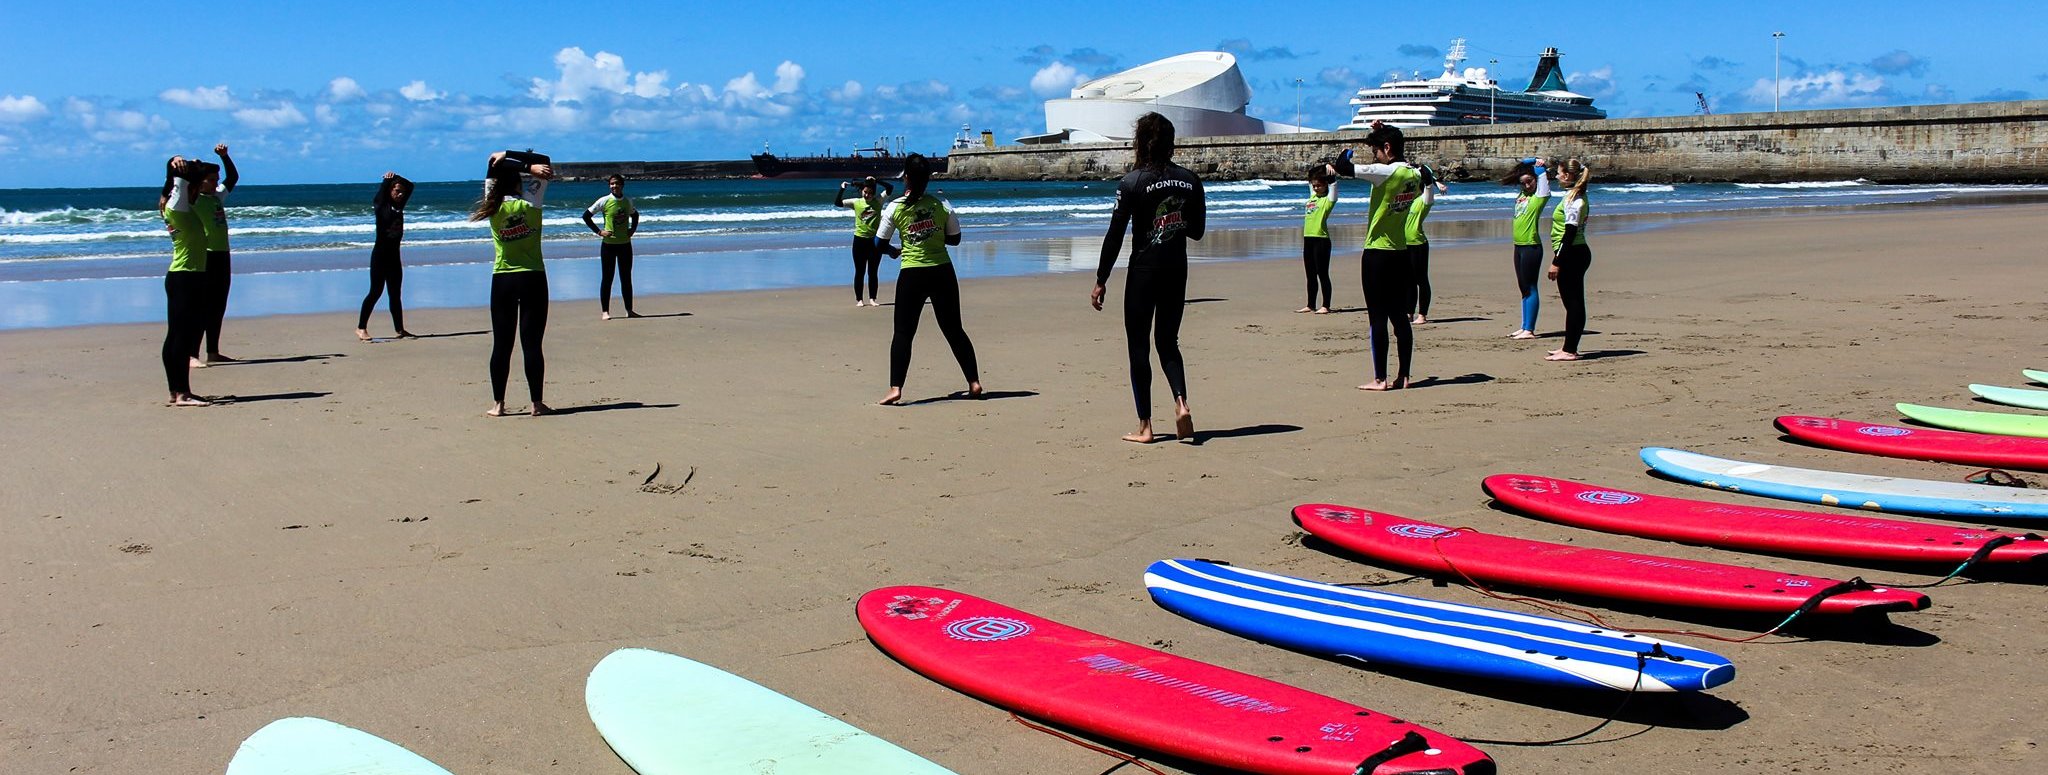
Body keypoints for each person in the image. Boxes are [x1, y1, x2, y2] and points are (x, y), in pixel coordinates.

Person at [1093, 112, 1206, 442]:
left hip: (1144, 271)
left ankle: (1146, 427)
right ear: (1171, 144)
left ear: (1140, 142)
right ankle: (1181, 402)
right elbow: (1197, 232)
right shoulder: (1190, 180)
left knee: (1139, 347)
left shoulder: (1132, 182)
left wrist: (1101, 279)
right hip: (1176, 269)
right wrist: (1174, 220)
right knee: (1168, 342)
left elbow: (1115, 235)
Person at [1321, 121, 1420, 391]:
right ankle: (1405, 375)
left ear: (1387, 148)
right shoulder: (1414, 175)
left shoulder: (1385, 172)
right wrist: (1381, 130)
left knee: (1377, 317)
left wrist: (1347, 148)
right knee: (1400, 316)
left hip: (1377, 254)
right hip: (1401, 252)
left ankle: (1380, 379)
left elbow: (1343, 166)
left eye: (1376, 150)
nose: (1375, 156)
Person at [875, 153, 981, 406]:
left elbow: (879, 242)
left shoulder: (895, 208)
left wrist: (893, 251)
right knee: (954, 329)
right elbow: (955, 239)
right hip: (942, 271)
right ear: (928, 179)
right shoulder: (942, 206)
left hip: (912, 273)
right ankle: (974, 382)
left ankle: (895, 389)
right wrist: (932, 236)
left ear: (906, 178)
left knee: (903, 332)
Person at [470, 150, 555, 417]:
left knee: (502, 344)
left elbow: (491, 166)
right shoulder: (532, 200)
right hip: (533, 277)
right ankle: (537, 404)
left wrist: (503, 158)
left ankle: (498, 405)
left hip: (503, 280)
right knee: (532, 344)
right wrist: (526, 163)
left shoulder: (491, 205)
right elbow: (545, 160)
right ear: (519, 181)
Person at [159, 155, 218, 406]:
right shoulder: (178, 206)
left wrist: (189, 166)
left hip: (185, 276)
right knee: (181, 337)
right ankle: (182, 393)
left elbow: (178, 184)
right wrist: (176, 164)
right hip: (186, 277)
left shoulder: (177, 205)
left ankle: (176, 391)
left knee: (176, 335)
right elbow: (179, 181)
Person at [190, 143, 239, 366]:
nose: (216, 182)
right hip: (206, 255)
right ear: (199, 182)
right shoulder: (192, 200)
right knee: (203, 306)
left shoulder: (216, 197)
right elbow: (175, 188)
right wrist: (189, 168)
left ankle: (213, 351)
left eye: (215, 179)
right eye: (211, 179)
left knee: (219, 304)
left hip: (222, 254)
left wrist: (225, 157)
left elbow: (233, 177)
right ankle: (192, 354)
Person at [357, 171, 416, 340]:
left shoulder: (399, 206)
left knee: (395, 294)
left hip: (394, 258)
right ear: (389, 191)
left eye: (401, 192)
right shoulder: (381, 205)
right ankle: (361, 328)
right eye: (397, 191)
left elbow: (411, 186)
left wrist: (397, 176)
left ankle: (400, 329)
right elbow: (381, 195)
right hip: (380, 257)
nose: (400, 194)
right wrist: (387, 181)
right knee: (375, 292)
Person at [1546, 159, 1594, 361]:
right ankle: (1568, 346)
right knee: (1571, 303)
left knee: (1573, 303)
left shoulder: (1575, 200)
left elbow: (1570, 233)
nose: (1556, 176)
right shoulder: (1573, 195)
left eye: (1558, 173)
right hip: (1573, 252)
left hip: (1573, 254)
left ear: (1566, 175)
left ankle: (1570, 350)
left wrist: (1556, 261)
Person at [1503, 156, 1553, 339]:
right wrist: (1531, 160)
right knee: (1523, 287)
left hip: (1532, 246)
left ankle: (1529, 329)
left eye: (1529, 182)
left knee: (1531, 287)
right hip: (1519, 246)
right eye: (1523, 183)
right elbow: (1522, 164)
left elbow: (1542, 179)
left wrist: (1540, 167)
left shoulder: (1540, 197)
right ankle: (1524, 326)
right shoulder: (1523, 195)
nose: (1526, 186)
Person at [583, 174, 640, 320]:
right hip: (608, 246)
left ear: (622, 185)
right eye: (612, 184)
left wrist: (632, 230)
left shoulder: (627, 201)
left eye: (617, 184)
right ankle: (605, 312)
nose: (614, 186)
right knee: (607, 278)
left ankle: (629, 310)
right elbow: (586, 216)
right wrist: (599, 232)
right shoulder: (604, 201)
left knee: (626, 278)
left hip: (625, 246)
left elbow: (635, 215)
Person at [836, 176, 895, 307]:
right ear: (862, 190)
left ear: (874, 193)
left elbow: (890, 188)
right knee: (860, 271)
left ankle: (873, 299)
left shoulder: (879, 201)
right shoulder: (856, 202)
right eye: (865, 192)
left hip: (874, 241)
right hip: (859, 241)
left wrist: (877, 180)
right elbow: (838, 203)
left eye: (870, 193)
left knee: (873, 272)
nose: (867, 195)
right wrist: (841, 189)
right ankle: (859, 300)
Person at [1405, 163, 1448, 324]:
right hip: (1403, 244)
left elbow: (1426, 173)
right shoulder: (1405, 200)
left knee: (1420, 280)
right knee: (1407, 280)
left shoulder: (1424, 199)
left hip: (1418, 244)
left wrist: (1435, 182)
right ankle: (1408, 312)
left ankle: (1422, 314)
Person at [1298, 168, 1335, 315]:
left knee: (1322, 273)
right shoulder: (1312, 197)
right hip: (1308, 240)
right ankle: (1310, 304)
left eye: (1319, 185)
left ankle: (1326, 305)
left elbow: (1334, 186)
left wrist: (1330, 171)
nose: (1316, 188)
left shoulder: (1328, 200)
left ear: (1325, 185)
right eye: (1314, 185)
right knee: (1310, 274)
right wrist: (1320, 168)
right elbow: (1310, 175)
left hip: (1322, 240)